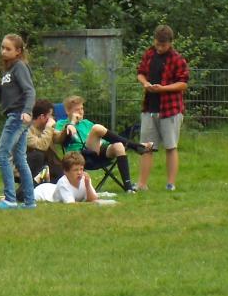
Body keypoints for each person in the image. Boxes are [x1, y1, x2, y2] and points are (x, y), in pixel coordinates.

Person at [136, 25, 189, 191]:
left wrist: (163, 89)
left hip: (170, 110)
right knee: (147, 147)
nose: (159, 48)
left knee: (170, 147)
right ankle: (142, 184)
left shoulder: (177, 59)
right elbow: (140, 73)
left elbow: (183, 83)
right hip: (149, 108)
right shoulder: (149, 54)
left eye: (163, 45)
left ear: (170, 43)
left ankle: (170, 184)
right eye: (157, 44)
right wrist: (145, 83)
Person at [55, 95, 144, 193]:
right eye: (77, 109)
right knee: (97, 128)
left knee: (118, 146)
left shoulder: (86, 123)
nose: (81, 112)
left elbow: (102, 141)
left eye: (82, 108)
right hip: (82, 156)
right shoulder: (61, 124)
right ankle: (133, 146)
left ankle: (128, 188)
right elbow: (57, 138)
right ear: (68, 111)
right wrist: (71, 123)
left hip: (97, 153)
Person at [0, 33, 36, 210]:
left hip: (18, 116)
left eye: (8, 49)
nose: (4, 51)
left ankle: (10, 199)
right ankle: (30, 202)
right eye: (3, 48)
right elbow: (6, 98)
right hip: (14, 114)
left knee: (1, 156)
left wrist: (27, 111)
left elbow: (30, 91)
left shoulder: (19, 67)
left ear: (18, 51)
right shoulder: (8, 70)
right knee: (20, 159)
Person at [35, 151, 103, 203]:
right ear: (66, 172)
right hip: (42, 193)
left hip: (52, 188)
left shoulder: (85, 179)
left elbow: (93, 199)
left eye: (81, 169)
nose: (79, 173)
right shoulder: (63, 183)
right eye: (75, 170)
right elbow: (71, 205)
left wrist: (88, 185)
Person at [25, 99, 64, 183]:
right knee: (39, 155)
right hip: (31, 166)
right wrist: (49, 127)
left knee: (65, 175)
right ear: (42, 117)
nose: (52, 118)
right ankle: (35, 185)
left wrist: (67, 129)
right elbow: (42, 146)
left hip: (49, 164)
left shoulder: (44, 127)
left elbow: (57, 138)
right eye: (50, 115)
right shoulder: (27, 130)